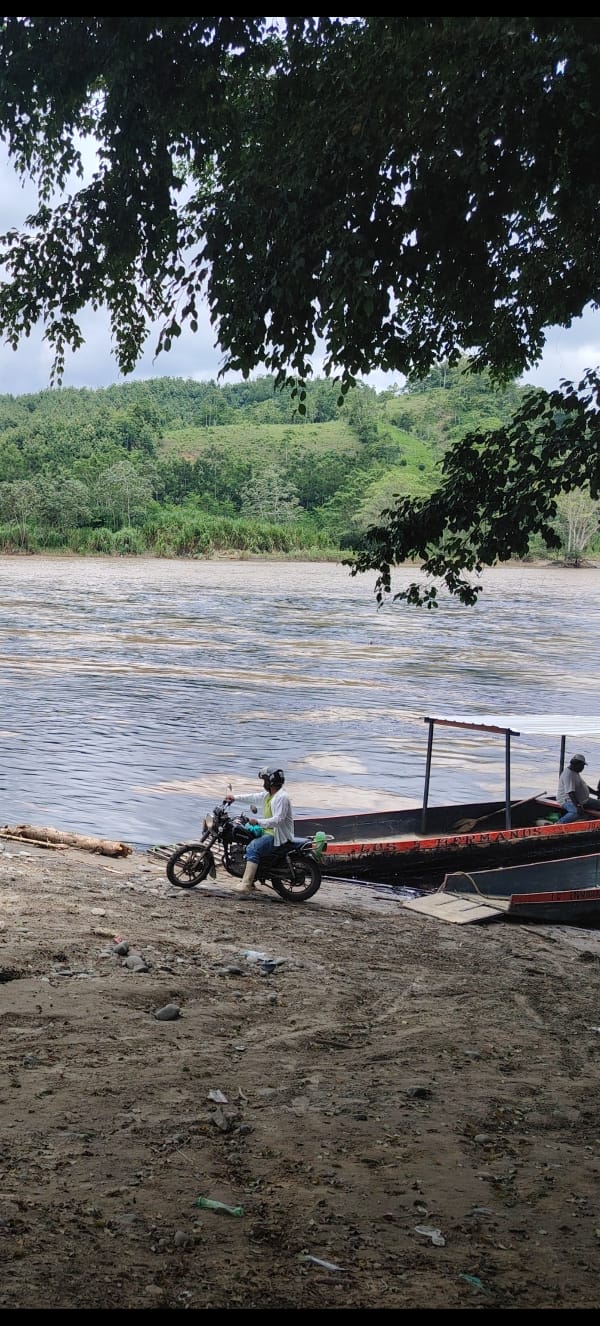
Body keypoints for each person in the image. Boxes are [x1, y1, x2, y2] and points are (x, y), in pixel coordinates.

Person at [237, 766, 295, 893]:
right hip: (268, 831)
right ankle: (253, 878)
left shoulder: (282, 797)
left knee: (253, 847)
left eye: (265, 780)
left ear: (271, 781)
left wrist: (258, 821)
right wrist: (234, 798)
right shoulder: (269, 795)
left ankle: (246, 884)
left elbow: (278, 820)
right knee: (247, 838)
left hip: (277, 835)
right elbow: (253, 797)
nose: (264, 783)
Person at [557, 753, 600, 824]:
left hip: (583, 800)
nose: (583, 768)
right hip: (567, 800)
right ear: (577, 764)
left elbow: (584, 786)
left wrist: (595, 793)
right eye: (582, 766)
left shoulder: (575, 772)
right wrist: (578, 806)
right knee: (575, 812)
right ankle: (559, 824)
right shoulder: (568, 775)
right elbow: (570, 793)